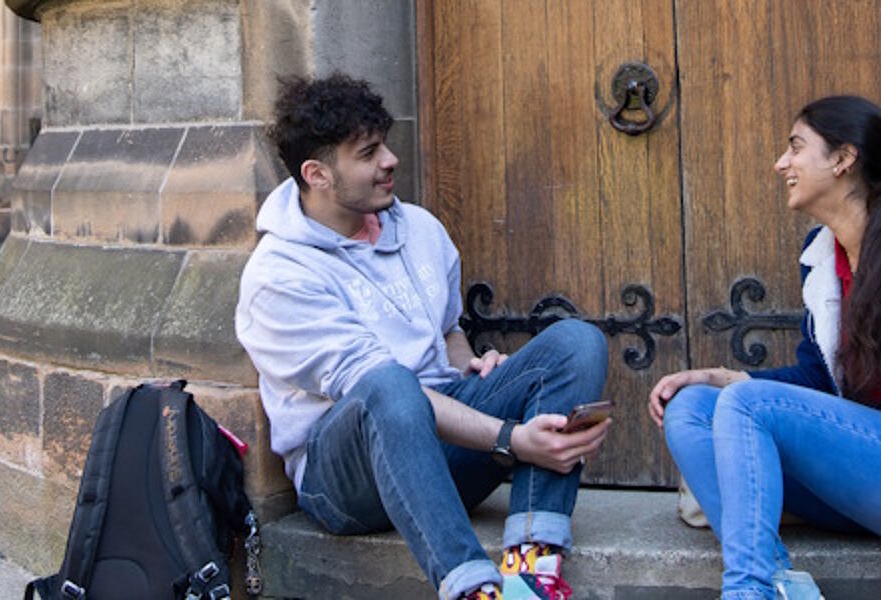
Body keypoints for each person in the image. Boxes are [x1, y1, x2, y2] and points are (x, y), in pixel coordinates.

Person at [235, 74, 612, 600]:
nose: (390, 160)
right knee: (389, 384)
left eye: (385, 144)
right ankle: (471, 588)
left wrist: (469, 366)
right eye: (368, 153)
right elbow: (384, 390)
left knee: (576, 342)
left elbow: (448, 329)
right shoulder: (278, 276)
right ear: (317, 175)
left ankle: (531, 568)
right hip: (347, 479)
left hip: (442, 448)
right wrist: (510, 437)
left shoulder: (418, 227)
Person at [647, 96, 881, 600]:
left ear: (843, 159)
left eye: (796, 147)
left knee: (745, 405)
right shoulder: (823, 256)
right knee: (690, 409)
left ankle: (747, 592)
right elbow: (818, 381)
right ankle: (778, 583)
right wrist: (716, 378)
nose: (781, 163)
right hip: (856, 482)